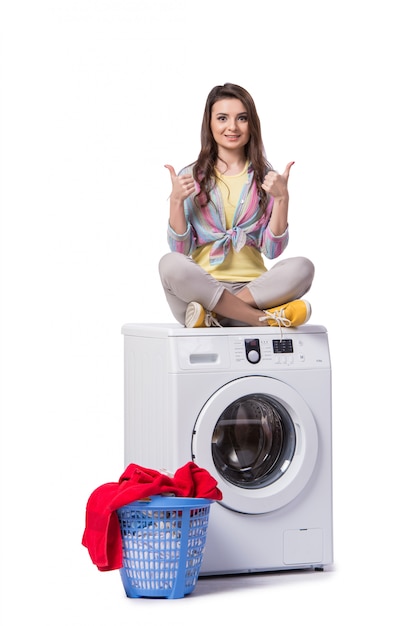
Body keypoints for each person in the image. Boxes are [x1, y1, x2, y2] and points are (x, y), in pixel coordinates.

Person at [159, 83, 315, 328]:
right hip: (201, 292)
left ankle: (216, 317)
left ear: (251, 124)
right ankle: (264, 319)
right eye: (222, 118)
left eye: (241, 118)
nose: (232, 127)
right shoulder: (190, 176)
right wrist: (177, 200)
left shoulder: (267, 177)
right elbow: (181, 249)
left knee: (303, 267)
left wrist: (283, 199)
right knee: (169, 263)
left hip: (255, 292)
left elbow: (272, 251)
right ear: (209, 124)